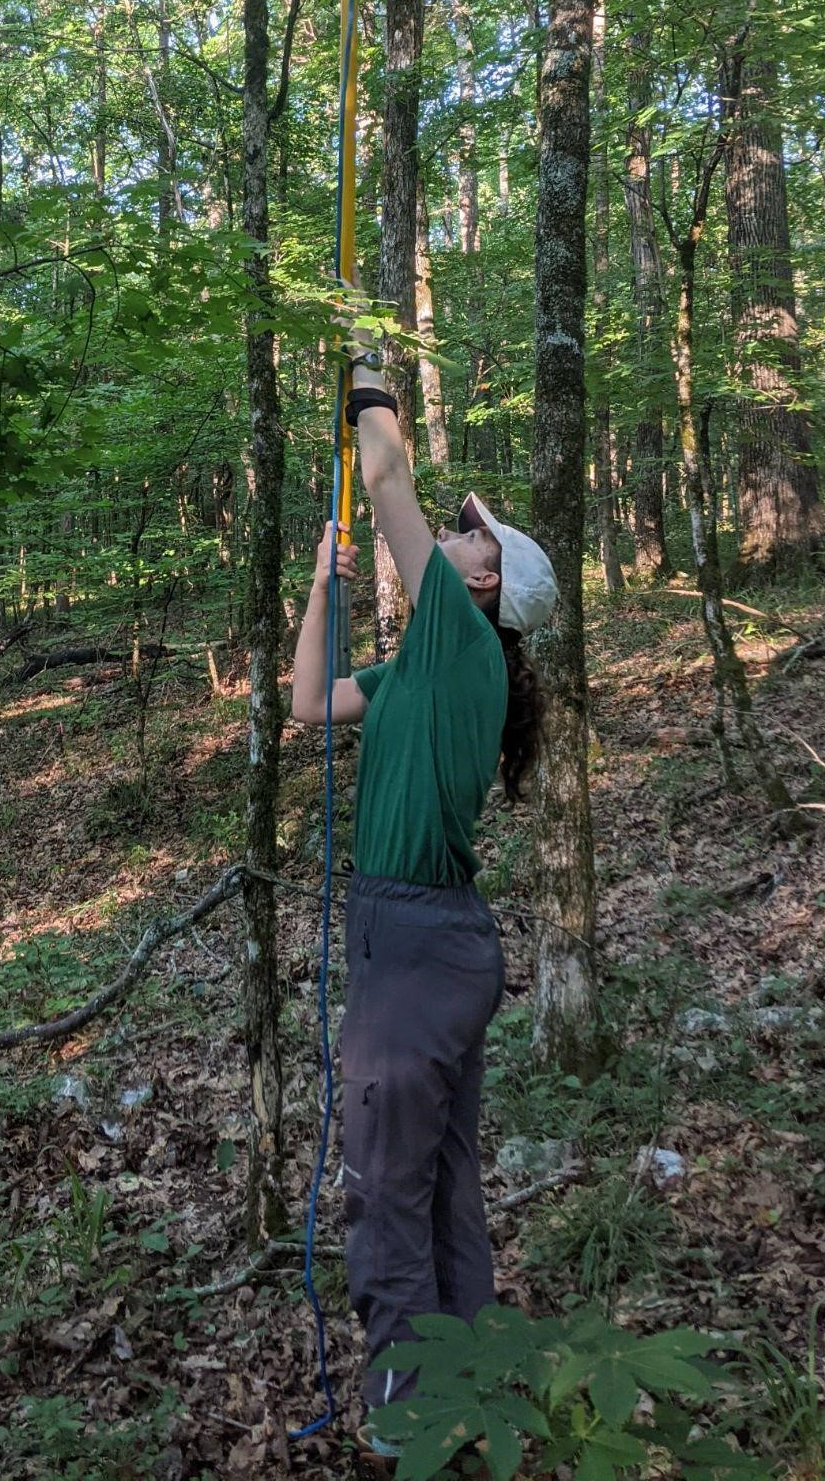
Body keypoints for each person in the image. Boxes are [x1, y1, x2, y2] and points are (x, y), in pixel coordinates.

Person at [290, 334, 557, 1470]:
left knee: (387, 1197)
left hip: (419, 945)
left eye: (469, 531)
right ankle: (472, 1408)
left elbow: (389, 473)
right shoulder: (427, 662)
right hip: (422, 942)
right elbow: (308, 702)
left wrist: (367, 369)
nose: (449, 530)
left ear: (482, 576)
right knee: (440, 1191)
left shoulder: (461, 633)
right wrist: (322, 584)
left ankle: (411, 1434)